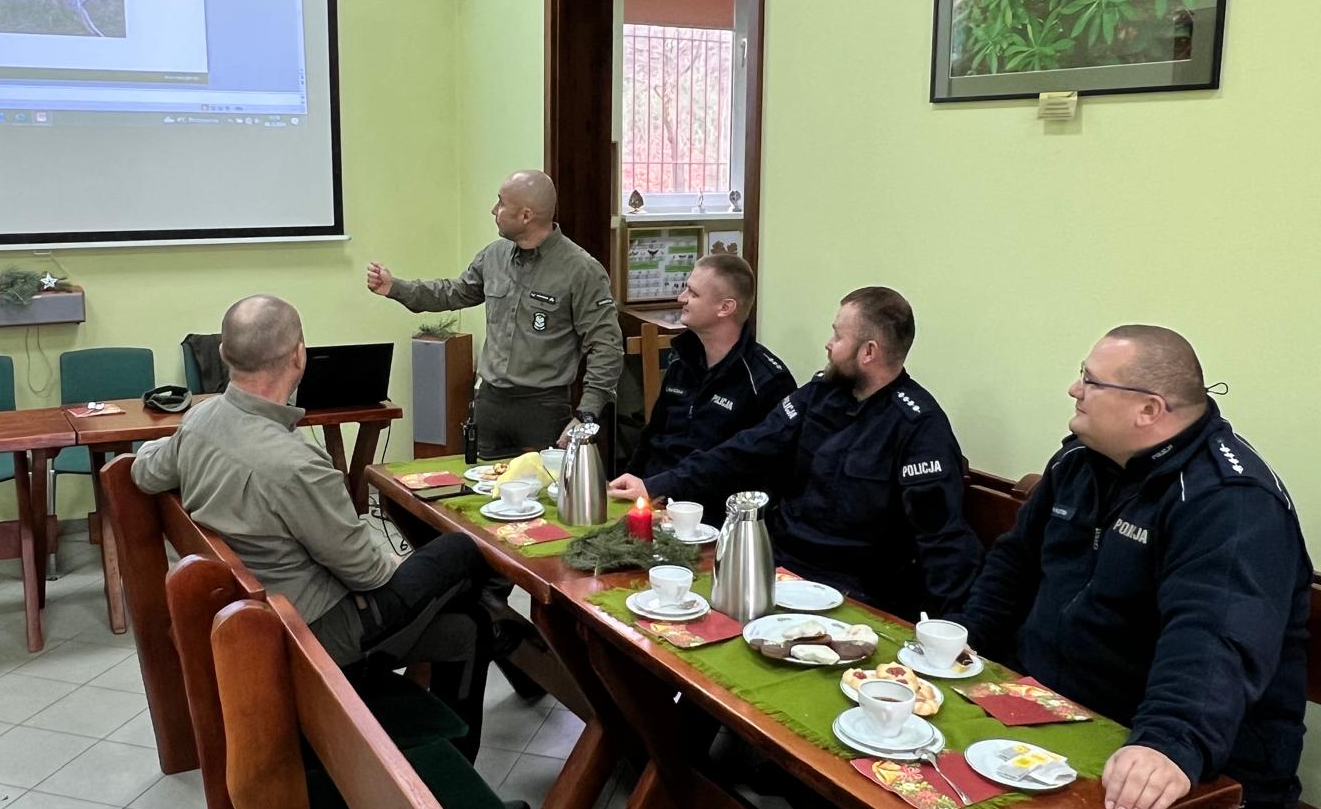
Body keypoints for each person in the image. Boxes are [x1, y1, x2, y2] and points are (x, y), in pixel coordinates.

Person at [962, 326, 1314, 809]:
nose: (1074, 389)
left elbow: (1214, 639)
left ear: (1149, 409)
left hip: (1183, 758)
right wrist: (965, 644)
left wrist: (1169, 743)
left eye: (1092, 381)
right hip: (1051, 713)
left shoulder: (1230, 502)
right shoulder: (1079, 460)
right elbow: (1015, 566)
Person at [131, 294, 492, 750]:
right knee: (462, 551)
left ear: (224, 352)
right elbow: (368, 573)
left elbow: (144, 471)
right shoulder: (297, 463)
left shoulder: (201, 419)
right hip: (314, 632)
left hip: (258, 614)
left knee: (470, 622)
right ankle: (455, 778)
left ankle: (450, 769)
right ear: (299, 356)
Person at [609, 286, 979, 620]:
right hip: (780, 565)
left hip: (854, 591)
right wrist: (656, 484)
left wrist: (960, 631)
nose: (829, 344)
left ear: (869, 352)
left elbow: (942, 539)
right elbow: (745, 450)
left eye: (837, 334)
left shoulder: (917, 426)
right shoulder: (821, 394)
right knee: (656, 603)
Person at [367, 169, 620, 458]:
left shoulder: (581, 270)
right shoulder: (494, 256)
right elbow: (454, 291)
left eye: (500, 203)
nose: (493, 210)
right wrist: (396, 287)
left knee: (545, 497)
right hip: (490, 404)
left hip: (544, 410)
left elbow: (606, 345)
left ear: (525, 216)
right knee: (479, 491)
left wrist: (587, 413)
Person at [625, 253, 797, 519]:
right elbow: (653, 435)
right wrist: (631, 483)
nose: (681, 298)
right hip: (653, 499)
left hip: (710, 516)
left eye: (692, 293)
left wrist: (658, 489)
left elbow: (746, 468)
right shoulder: (682, 360)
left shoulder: (766, 381)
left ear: (725, 307)